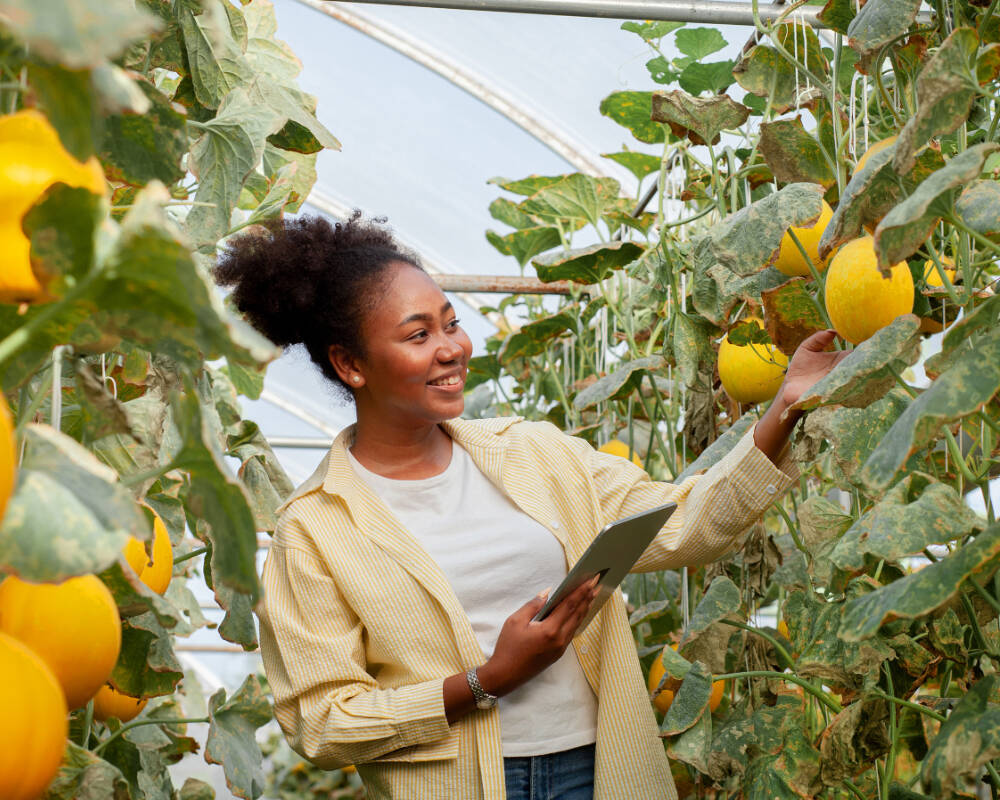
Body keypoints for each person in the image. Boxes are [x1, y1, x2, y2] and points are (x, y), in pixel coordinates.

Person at [214, 213, 847, 800]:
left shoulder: (535, 455)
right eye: (418, 334)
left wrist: (783, 408)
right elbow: (321, 723)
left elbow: (685, 524)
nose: (452, 348)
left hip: (595, 768)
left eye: (451, 322)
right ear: (351, 364)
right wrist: (488, 679)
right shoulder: (315, 527)